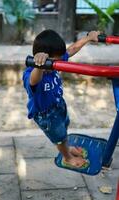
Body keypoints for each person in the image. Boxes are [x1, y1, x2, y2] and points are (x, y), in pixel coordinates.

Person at [23, 29, 100, 169]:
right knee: (59, 137)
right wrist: (39, 66)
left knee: (64, 126)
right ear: (43, 59)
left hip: (58, 105)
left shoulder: (55, 60)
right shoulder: (32, 72)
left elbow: (71, 50)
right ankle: (67, 157)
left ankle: (67, 147)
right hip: (46, 115)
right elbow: (33, 81)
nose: (58, 65)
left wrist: (88, 38)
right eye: (55, 62)